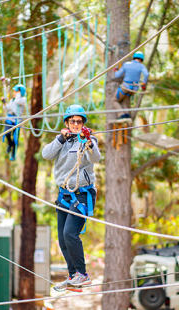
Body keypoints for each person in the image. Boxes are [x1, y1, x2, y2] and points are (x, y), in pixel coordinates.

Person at [42, 104, 101, 292]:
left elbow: (96, 158)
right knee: (62, 239)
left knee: (70, 233)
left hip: (82, 195)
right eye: (72, 121)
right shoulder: (62, 140)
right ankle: (73, 276)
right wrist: (60, 138)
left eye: (79, 121)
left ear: (83, 123)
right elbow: (46, 154)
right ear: (67, 123)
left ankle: (82, 275)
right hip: (64, 195)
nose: (76, 124)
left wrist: (89, 142)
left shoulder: (88, 140)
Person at [113, 51, 149, 119]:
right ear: (141, 59)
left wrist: (116, 70)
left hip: (125, 87)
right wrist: (143, 83)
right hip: (134, 90)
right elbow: (146, 74)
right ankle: (126, 114)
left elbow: (117, 75)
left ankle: (121, 115)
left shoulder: (126, 64)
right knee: (123, 99)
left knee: (115, 100)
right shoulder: (141, 66)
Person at [1, 84, 26, 160]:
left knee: (15, 138)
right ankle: (10, 144)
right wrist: (4, 103)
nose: (14, 93)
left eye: (16, 91)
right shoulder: (12, 100)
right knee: (7, 133)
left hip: (17, 121)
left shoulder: (22, 99)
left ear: (19, 92)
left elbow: (18, 101)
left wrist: (19, 93)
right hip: (10, 118)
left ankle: (13, 153)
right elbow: (7, 109)